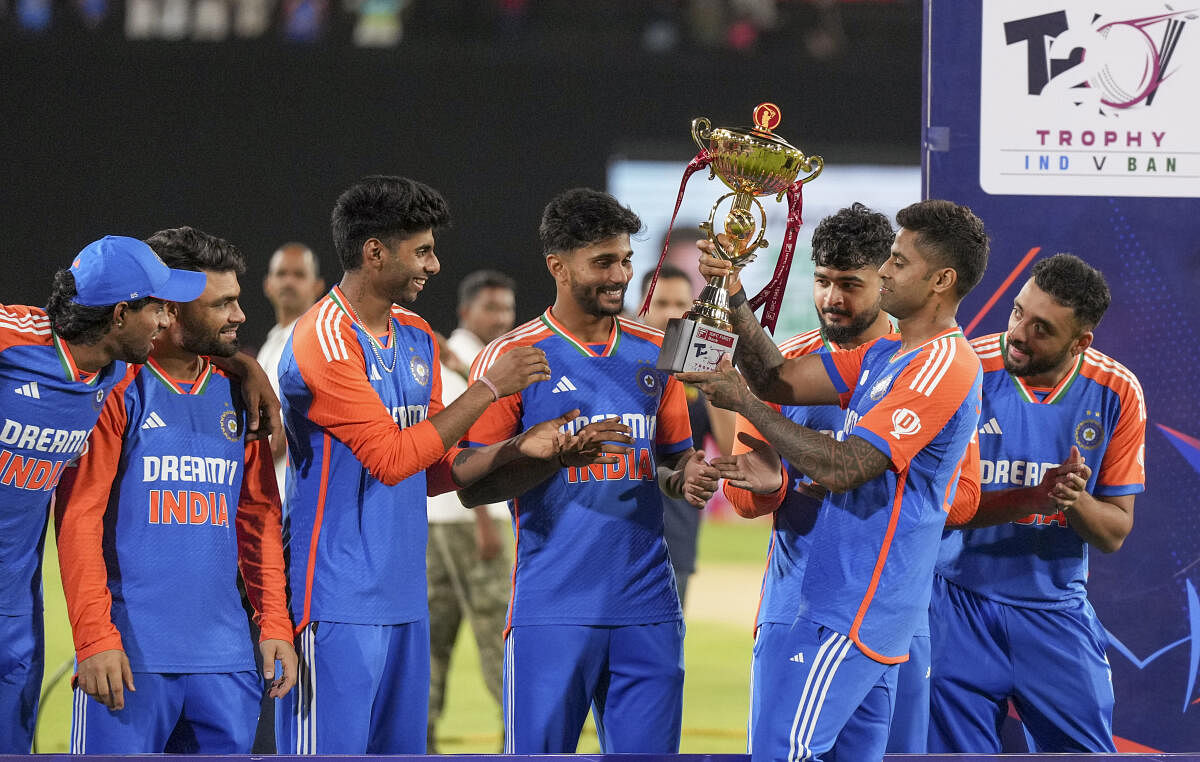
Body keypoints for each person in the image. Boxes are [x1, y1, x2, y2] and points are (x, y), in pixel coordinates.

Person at [275, 175, 583, 754]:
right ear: (374, 253)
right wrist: (487, 388)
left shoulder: (415, 334)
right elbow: (392, 461)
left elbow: (436, 467)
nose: (434, 265)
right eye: (421, 251)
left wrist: (520, 449)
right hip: (335, 603)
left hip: (404, 598)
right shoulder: (323, 339)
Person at [685, 199, 989, 761]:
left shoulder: (945, 363)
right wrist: (730, 292)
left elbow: (846, 466)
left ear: (941, 280)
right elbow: (778, 380)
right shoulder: (890, 357)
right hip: (832, 605)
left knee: (783, 755)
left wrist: (745, 405)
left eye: (897, 262)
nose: (887, 271)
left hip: (850, 609)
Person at [460, 188, 719, 754]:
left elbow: (671, 461)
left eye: (625, 260)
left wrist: (690, 474)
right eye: (603, 262)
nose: (621, 275)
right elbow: (469, 483)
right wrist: (542, 453)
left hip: (648, 606)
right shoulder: (514, 357)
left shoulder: (660, 352)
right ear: (557, 266)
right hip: (552, 608)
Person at [53, 226, 297, 753]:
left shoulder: (239, 392)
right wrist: (95, 637)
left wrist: (274, 621)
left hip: (227, 662)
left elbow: (257, 518)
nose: (239, 316)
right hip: (129, 661)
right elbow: (78, 519)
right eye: (223, 304)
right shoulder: (113, 389)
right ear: (170, 308)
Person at [929, 254, 1145, 754]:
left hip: (1055, 612)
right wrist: (1034, 496)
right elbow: (940, 507)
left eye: (1041, 328)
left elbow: (1114, 532)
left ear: (1080, 343)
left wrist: (1073, 501)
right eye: (1017, 312)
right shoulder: (966, 369)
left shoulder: (1117, 391)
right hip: (956, 605)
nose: (1018, 333)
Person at [0, 235, 206, 753]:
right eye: (158, 307)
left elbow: (196, 360)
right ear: (120, 313)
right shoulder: (16, 336)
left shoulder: (120, 369)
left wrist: (249, 371)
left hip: (15, 605)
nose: (166, 320)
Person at [425, 270, 517, 752]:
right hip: (469, 520)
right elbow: (461, 445)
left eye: (507, 308)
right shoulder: (461, 364)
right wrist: (485, 520)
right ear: (466, 312)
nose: (502, 317)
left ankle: (418, 743)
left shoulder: (453, 357)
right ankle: (520, 740)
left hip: (436, 523)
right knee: (497, 637)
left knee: (432, 644)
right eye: (491, 308)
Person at [639, 263, 732, 606]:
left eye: (680, 305)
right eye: (660, 304)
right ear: (641, 308)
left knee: (662, 654)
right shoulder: (619, 362)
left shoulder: (702, 370)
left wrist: (716, 382)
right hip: (615, 532)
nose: (671, 314)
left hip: (674, 534)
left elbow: (729, 445)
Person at [256, 242, 325, 501]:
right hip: (274, 490)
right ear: (268, 284)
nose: (288, 282)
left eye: (299, 275)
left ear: (317, 286)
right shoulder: (272, 343)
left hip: (302, 492)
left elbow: (298, 416)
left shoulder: (315, 338)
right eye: (282, 274)